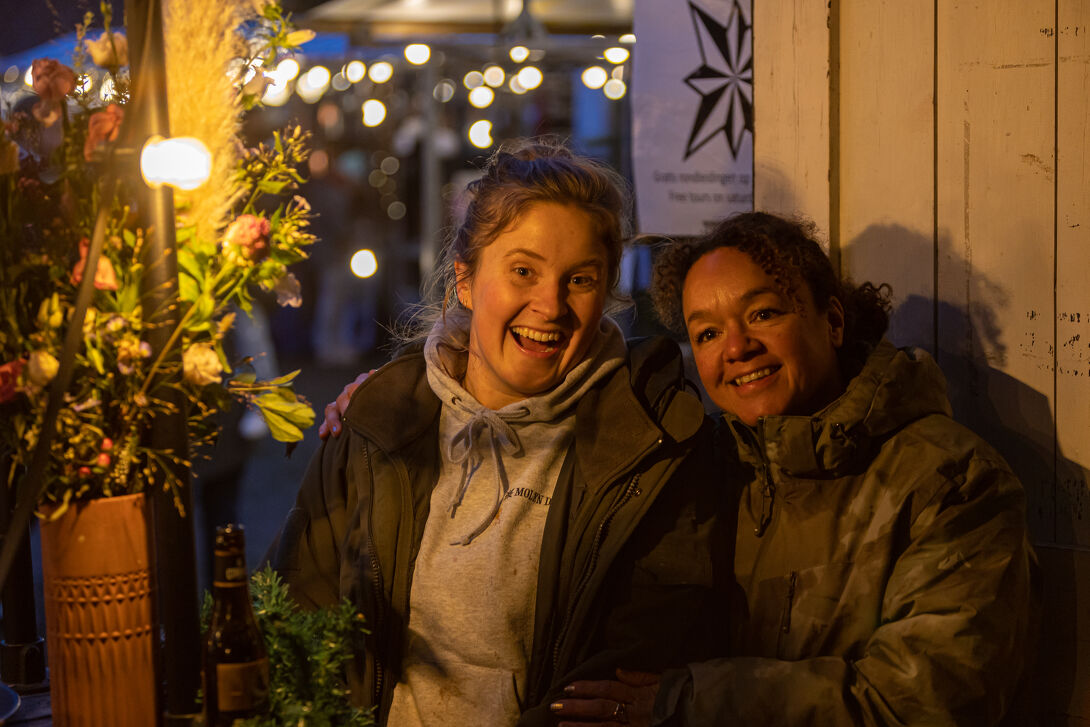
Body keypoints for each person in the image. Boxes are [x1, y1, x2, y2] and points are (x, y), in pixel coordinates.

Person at [267, 138, 733, 726]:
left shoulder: (650, 445)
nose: (550, 305)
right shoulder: (379, 420)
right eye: (522, 271)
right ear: (465, 280)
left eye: (580, 280)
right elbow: (293, 613)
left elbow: (639, 655)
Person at [549, 211, 1039, 726]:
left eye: (762, 314)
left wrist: (694, 702)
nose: (736, 348)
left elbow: (929, 703)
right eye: (708, 333)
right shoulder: (705, 473)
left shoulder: (952, 480)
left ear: (832, 321)